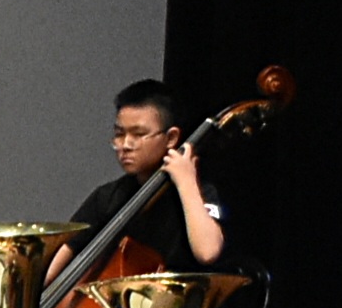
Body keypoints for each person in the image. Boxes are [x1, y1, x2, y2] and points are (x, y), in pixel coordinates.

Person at [60, 79, 229, 274]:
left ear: (171, 138)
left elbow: (208, 252)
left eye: (138, 134)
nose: (125, 145)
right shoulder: (106, 197)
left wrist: (186, 183)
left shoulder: (198, 192)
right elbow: (62, 254)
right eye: (119, 134)